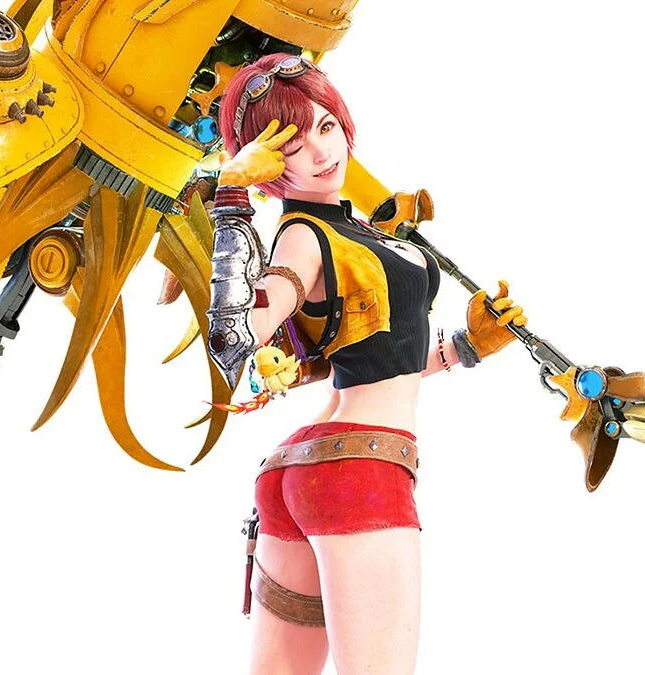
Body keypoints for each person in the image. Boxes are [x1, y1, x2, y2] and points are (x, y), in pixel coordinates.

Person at [205, 53, 529, 675]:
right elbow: (234, 339)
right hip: (361, 470)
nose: (320, 152)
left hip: (306, 469)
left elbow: (373, 362)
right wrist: (231, 191)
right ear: (267, 163)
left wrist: (462, 348)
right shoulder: (303, 236)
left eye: (326, 127)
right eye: (290, 146)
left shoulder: (353, 231)